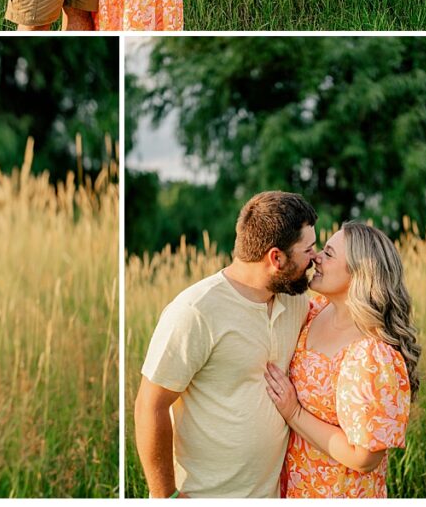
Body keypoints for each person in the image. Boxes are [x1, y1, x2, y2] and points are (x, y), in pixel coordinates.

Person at [135, 191, 318, 498]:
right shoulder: (196, 311)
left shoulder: (297, 301)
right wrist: (164, 497)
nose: (315, 257)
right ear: (277, 258)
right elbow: (149, 406)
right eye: (308, 249)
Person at [265, 222, 418, 498]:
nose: (316, 258)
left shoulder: (372, 354)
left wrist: (294, 413)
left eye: (329, 253)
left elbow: (364, 458)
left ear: (360, 273)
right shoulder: (313, 313)